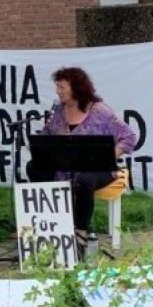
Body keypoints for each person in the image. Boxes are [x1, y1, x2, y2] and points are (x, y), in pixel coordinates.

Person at [27, 67, 136, 236]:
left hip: (98, 169)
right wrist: (39, 145)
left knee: (84, 180)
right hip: (65, 165)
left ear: (76, 88)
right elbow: (47, 134)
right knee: (34, 167)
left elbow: (129, 137)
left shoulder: (100, 111)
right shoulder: (58, 111)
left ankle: (80, 232)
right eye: (57, 87)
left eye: (61, 87)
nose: (57, 91)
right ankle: (52, 221)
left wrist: (107, 157)